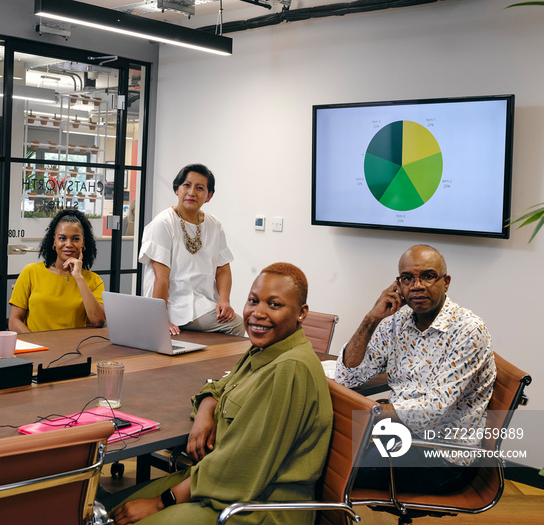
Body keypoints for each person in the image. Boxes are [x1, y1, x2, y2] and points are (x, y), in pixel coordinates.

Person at [107, 263, 333, 525]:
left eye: (274, 305)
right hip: (219, 482)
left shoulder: (289, 368)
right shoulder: (266, 350)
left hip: (256, 505)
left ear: (301, 313)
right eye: (253, 300)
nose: (258, 313)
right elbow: (218, 386)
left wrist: (162, 501)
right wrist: (205, 412)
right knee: (108, 508)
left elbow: (241, 467)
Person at [335, 244, 496, 493]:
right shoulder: (396, 321)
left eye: (428, 276)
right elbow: (348, 376)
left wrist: (364, 415)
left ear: (446, 282)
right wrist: (371, 318)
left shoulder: (468, 330)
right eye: (408, 278)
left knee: (335, 466)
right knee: (318, 446)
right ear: (398, 285)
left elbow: (429, 411)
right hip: (401, 437)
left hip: (443, 457)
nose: (417, 286)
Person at [138, 163, 244, 336]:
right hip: (174, 306)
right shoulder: (163, 223)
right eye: (186, 185)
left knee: (231, 319)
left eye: (200, 188)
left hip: (204, 304)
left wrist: (224, 300)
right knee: (237, 325)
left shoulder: (214, 225)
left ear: (208, 196)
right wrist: (160, 319)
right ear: (176, 189)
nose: (191, 192)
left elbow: (223, 268)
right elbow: (160, 278)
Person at [9, 209, 105, 332]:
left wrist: (78, 277)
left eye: (75, 239)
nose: (68, 244)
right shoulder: (31, 271)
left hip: (74, 348)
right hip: (37, 348)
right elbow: (14, 321)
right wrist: (38, 347)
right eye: (62, 238)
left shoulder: (93, 280)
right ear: (54, 241)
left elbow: (98, 321)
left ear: (83, 243)